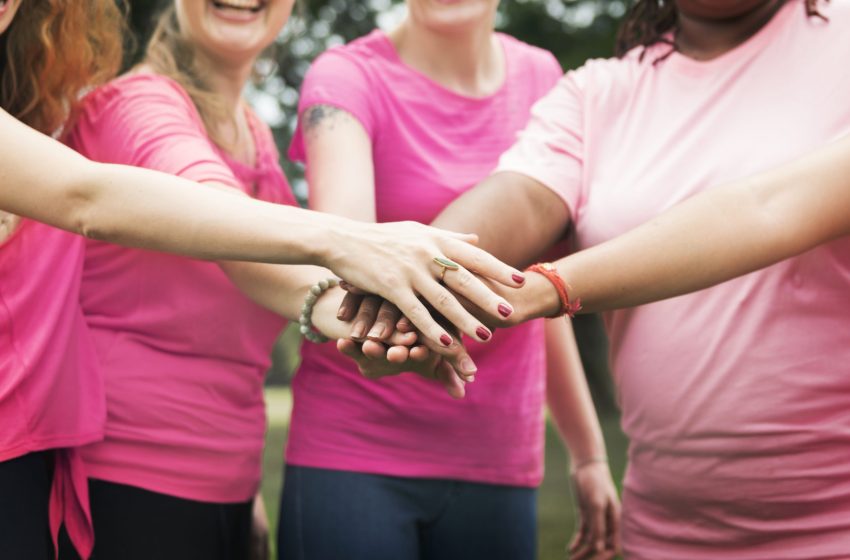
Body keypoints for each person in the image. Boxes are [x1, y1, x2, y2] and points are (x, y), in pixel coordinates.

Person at [0, 1, 522, 559]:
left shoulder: (251, 129)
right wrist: (351, 250)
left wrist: (373, 323)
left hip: (221, 479)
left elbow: (260, 279)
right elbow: (193, 218)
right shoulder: (137, 104)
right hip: (129, 478)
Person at [348, 0, 850, 557]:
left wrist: (543, 288)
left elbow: (768, 209)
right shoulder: (600, 93)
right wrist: (408, 294)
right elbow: (521, 197)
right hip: (662, 530)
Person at [277, 1, 620, 559]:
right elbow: (349, 262)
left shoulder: (543, 78)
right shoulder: (345, 78)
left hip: (498, 454)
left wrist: (588, 453)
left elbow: (531, 290)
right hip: (353, 450)